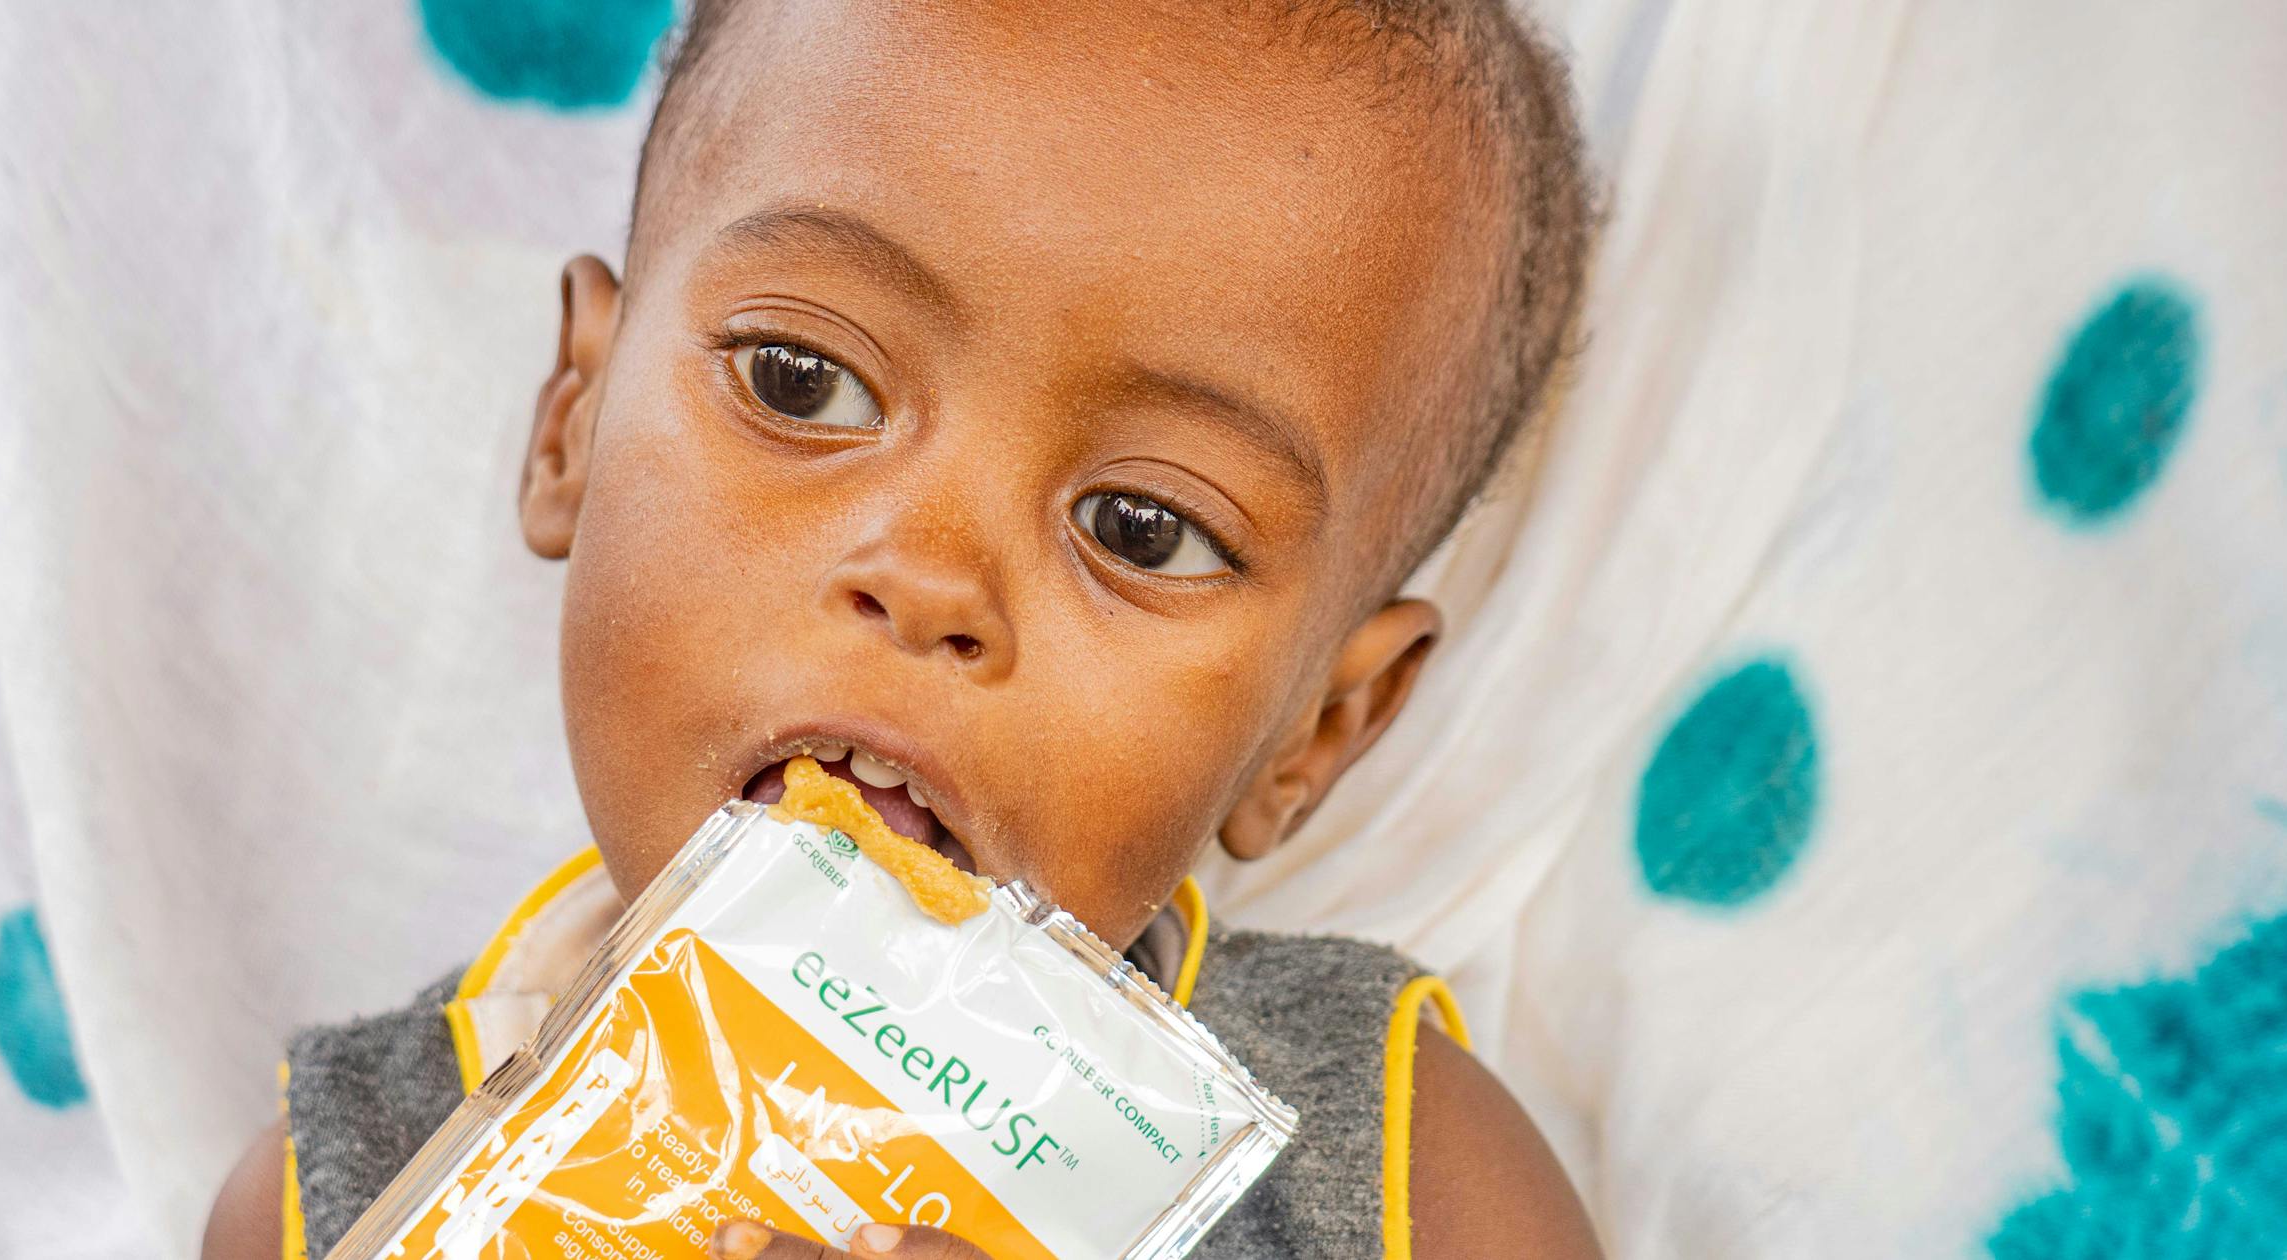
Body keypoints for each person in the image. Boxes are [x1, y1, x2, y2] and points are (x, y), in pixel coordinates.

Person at [194, 1, 1603, 1256]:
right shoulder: (337, 1196)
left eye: (1142, 530)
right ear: (575, 420)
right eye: (802, 381)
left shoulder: (1415, 1177)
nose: (928, 581)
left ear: (1317, 730)